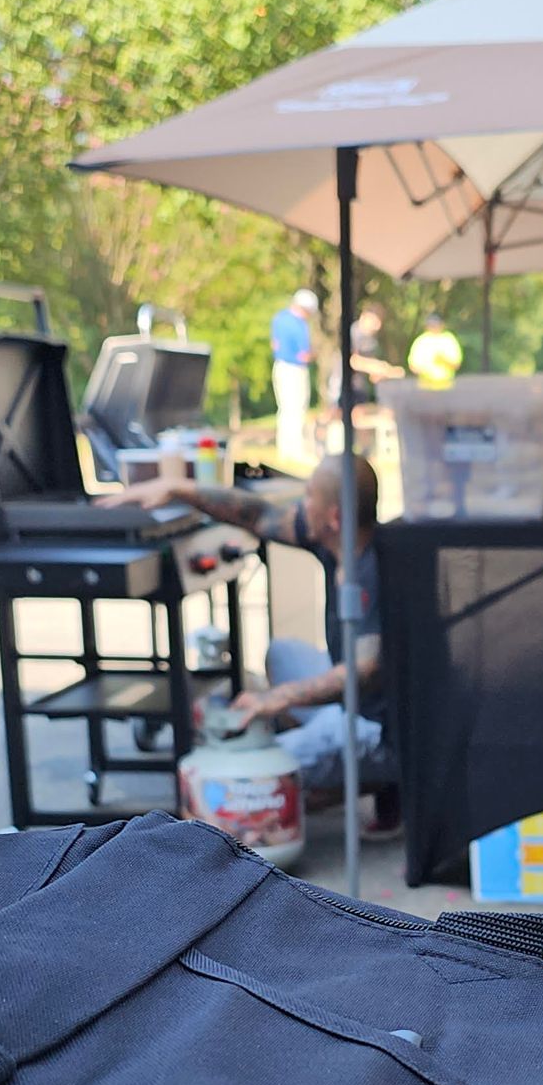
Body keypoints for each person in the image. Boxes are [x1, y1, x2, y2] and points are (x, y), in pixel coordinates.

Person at [113, 453, 393, 811]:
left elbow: (365, 670)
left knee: (251, 774)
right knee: (282, 652)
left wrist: (275, 698)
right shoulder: (336, 540)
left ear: (335, 517)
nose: (300, 505)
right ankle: (324, 766)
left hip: (377, 724)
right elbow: (259, 515)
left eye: (308, 497)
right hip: (351, 698)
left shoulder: (373, 572)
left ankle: (374, 779)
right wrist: (177, 489)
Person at [270, 287, 319, 462]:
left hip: (280, 366)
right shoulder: (299, 324)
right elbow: (304, 354)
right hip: (295, 369)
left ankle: (285, 448)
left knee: (285, 409)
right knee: (297, 410)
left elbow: (274, 344)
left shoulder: (279, 318)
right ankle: (296, 450)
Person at [406, 312, 464, 391]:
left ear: (442, 325)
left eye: (436, 324)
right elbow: (413, 366)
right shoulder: (421, 341)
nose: (433, 327)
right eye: (431, 325)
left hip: (446, 386)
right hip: (425, 386)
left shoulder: (449, 339)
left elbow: (457, 364)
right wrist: (424, 367)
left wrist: (443, 359)